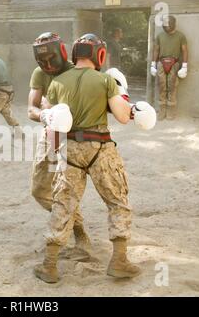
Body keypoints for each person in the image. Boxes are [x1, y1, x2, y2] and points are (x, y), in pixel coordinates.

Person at [33, 33, 141, 283]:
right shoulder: (105, 80)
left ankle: (49, 265)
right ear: (99, 55)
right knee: (117, 201)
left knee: (63, 204)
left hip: (69, 149)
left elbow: (48, 117)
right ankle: (119, 261)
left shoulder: (57, 82)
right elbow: (124, 116)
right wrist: (129, 102)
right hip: (101, 148)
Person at [28, 32, 92, 260]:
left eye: (51, 60)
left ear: (62, 53)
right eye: (41, 62)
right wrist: (47, 114)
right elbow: (31, 109)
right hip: (51, 135)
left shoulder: (78, 71)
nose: (47, 65)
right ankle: (76, 225)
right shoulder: (40, 73)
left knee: (65, 191)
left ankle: (80, 233)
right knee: (39, 190)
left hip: (75, 139)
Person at [151, 15, 188, 120]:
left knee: (172, 86)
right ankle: (162, 110)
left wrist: (185, 65)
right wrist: (153, 64)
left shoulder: (181, 36)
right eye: (165, 25)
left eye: (168, 25)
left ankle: (171, 111)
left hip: (174, 63)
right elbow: (156, 50)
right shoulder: (160, 36)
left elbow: (185, 50)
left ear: (173, 24)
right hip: (161, 63)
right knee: (161, 85)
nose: (166, 27)